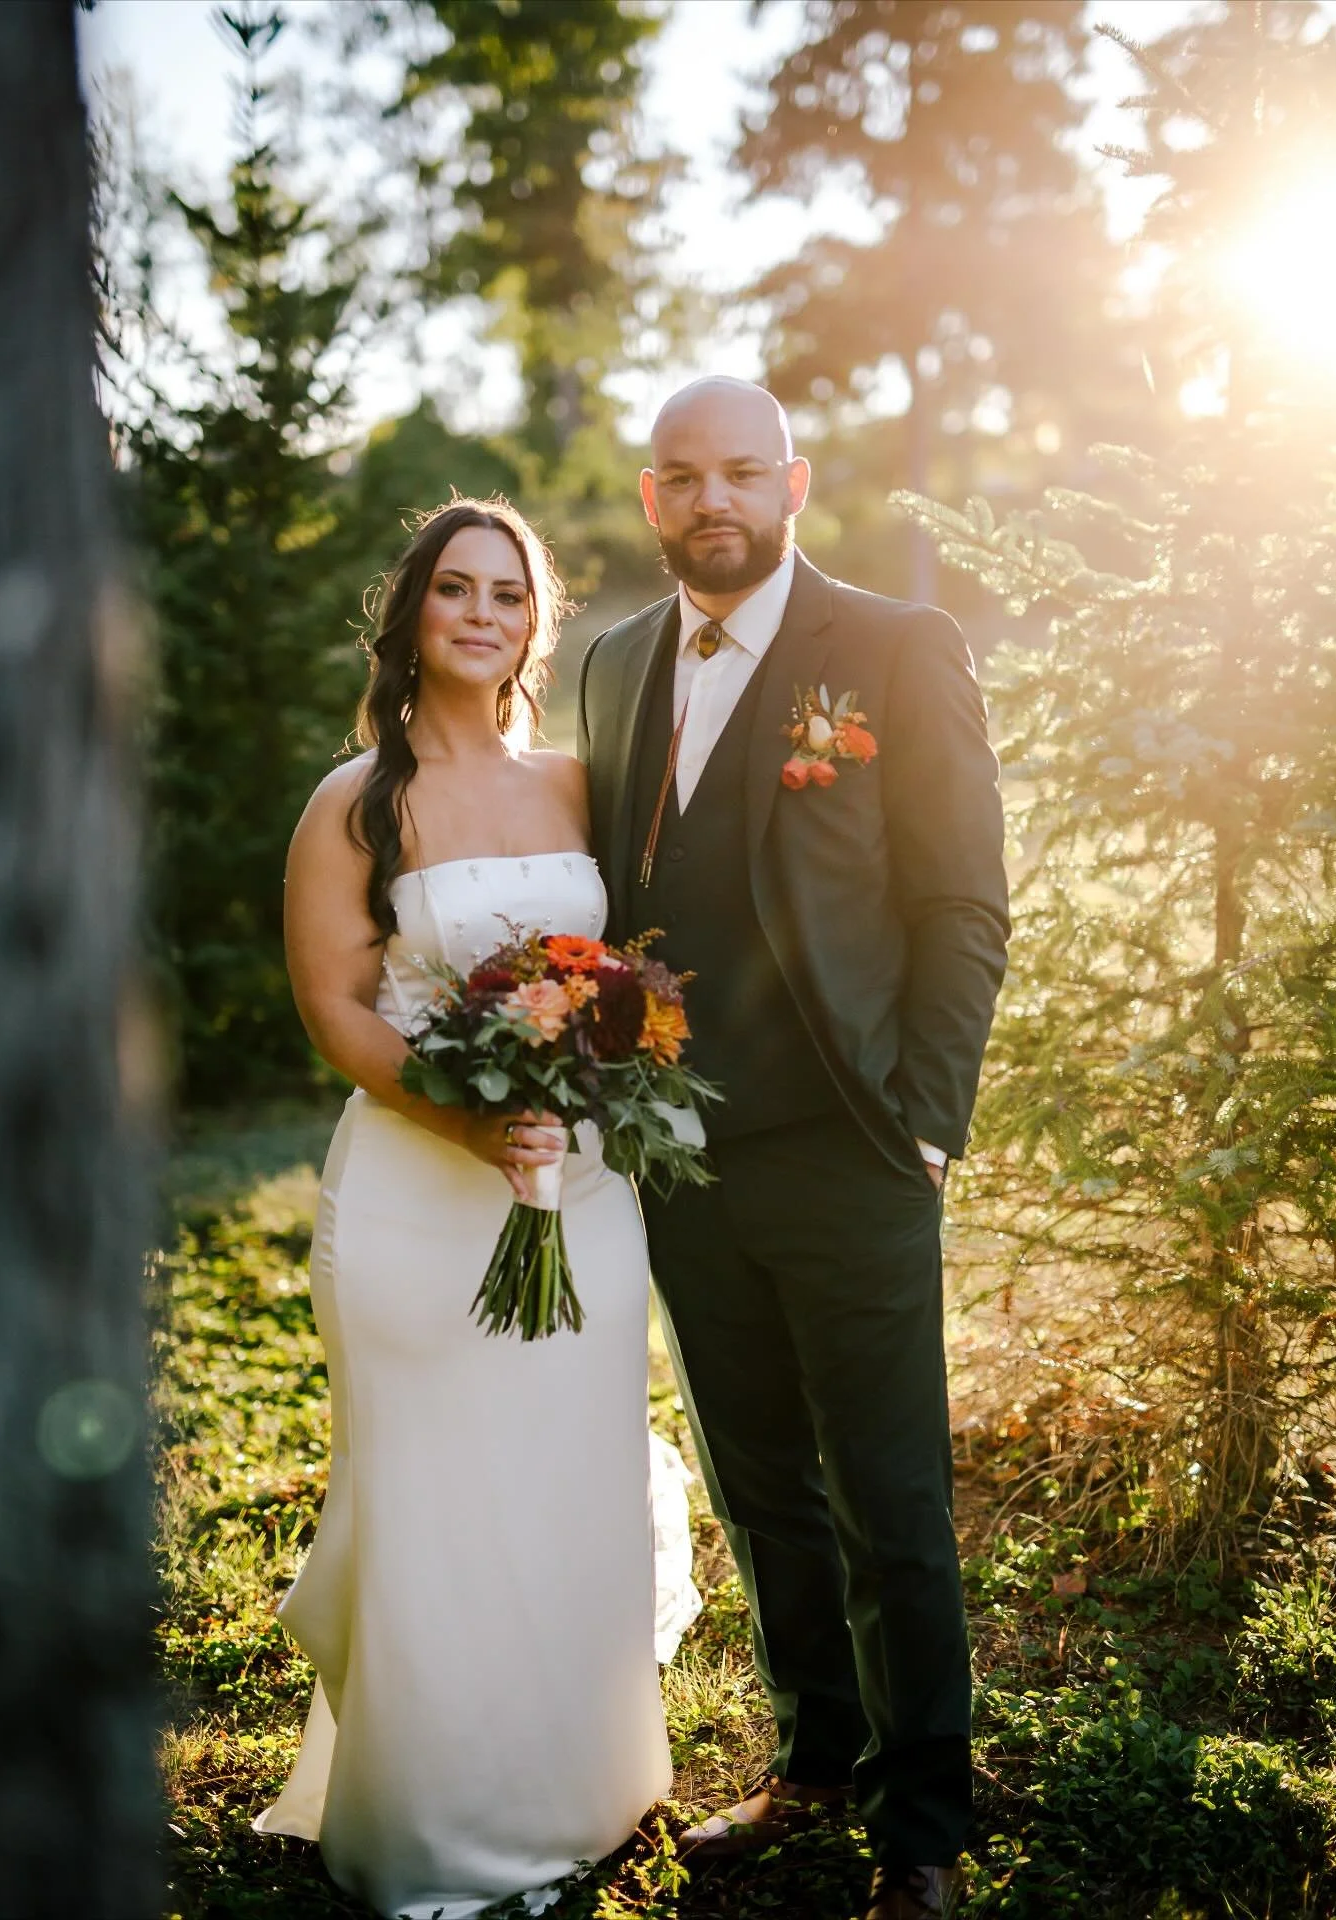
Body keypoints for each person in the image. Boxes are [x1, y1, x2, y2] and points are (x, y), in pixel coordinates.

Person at [577, 379, 1010, 1920]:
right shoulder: (615, 662)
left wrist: (926, 1119)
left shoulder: (895, 648)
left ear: (795, 482)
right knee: (761, 1483)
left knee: (890, 1496)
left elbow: (961, 900)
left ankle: (922, 1832)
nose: (717, 502)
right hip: (680, 1158)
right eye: (686, 477)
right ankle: (816, 1757)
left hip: (854, 1144)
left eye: (743, 474)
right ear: (650, 497)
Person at [257, 498, 672, 1919]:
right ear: (414, 614)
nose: (482, 613)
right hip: (421, 1201)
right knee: (441, 1498)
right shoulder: (354, 801)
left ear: (533, 623)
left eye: (509, 592)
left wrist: (591, 1077)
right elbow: (335, 1004)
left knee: (565, 1478)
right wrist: (474, 1112)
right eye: (455, 590)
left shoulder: (577, 787)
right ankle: (440, 1825)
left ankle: (583, 1787)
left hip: (583, 1192)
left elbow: (624, 970)